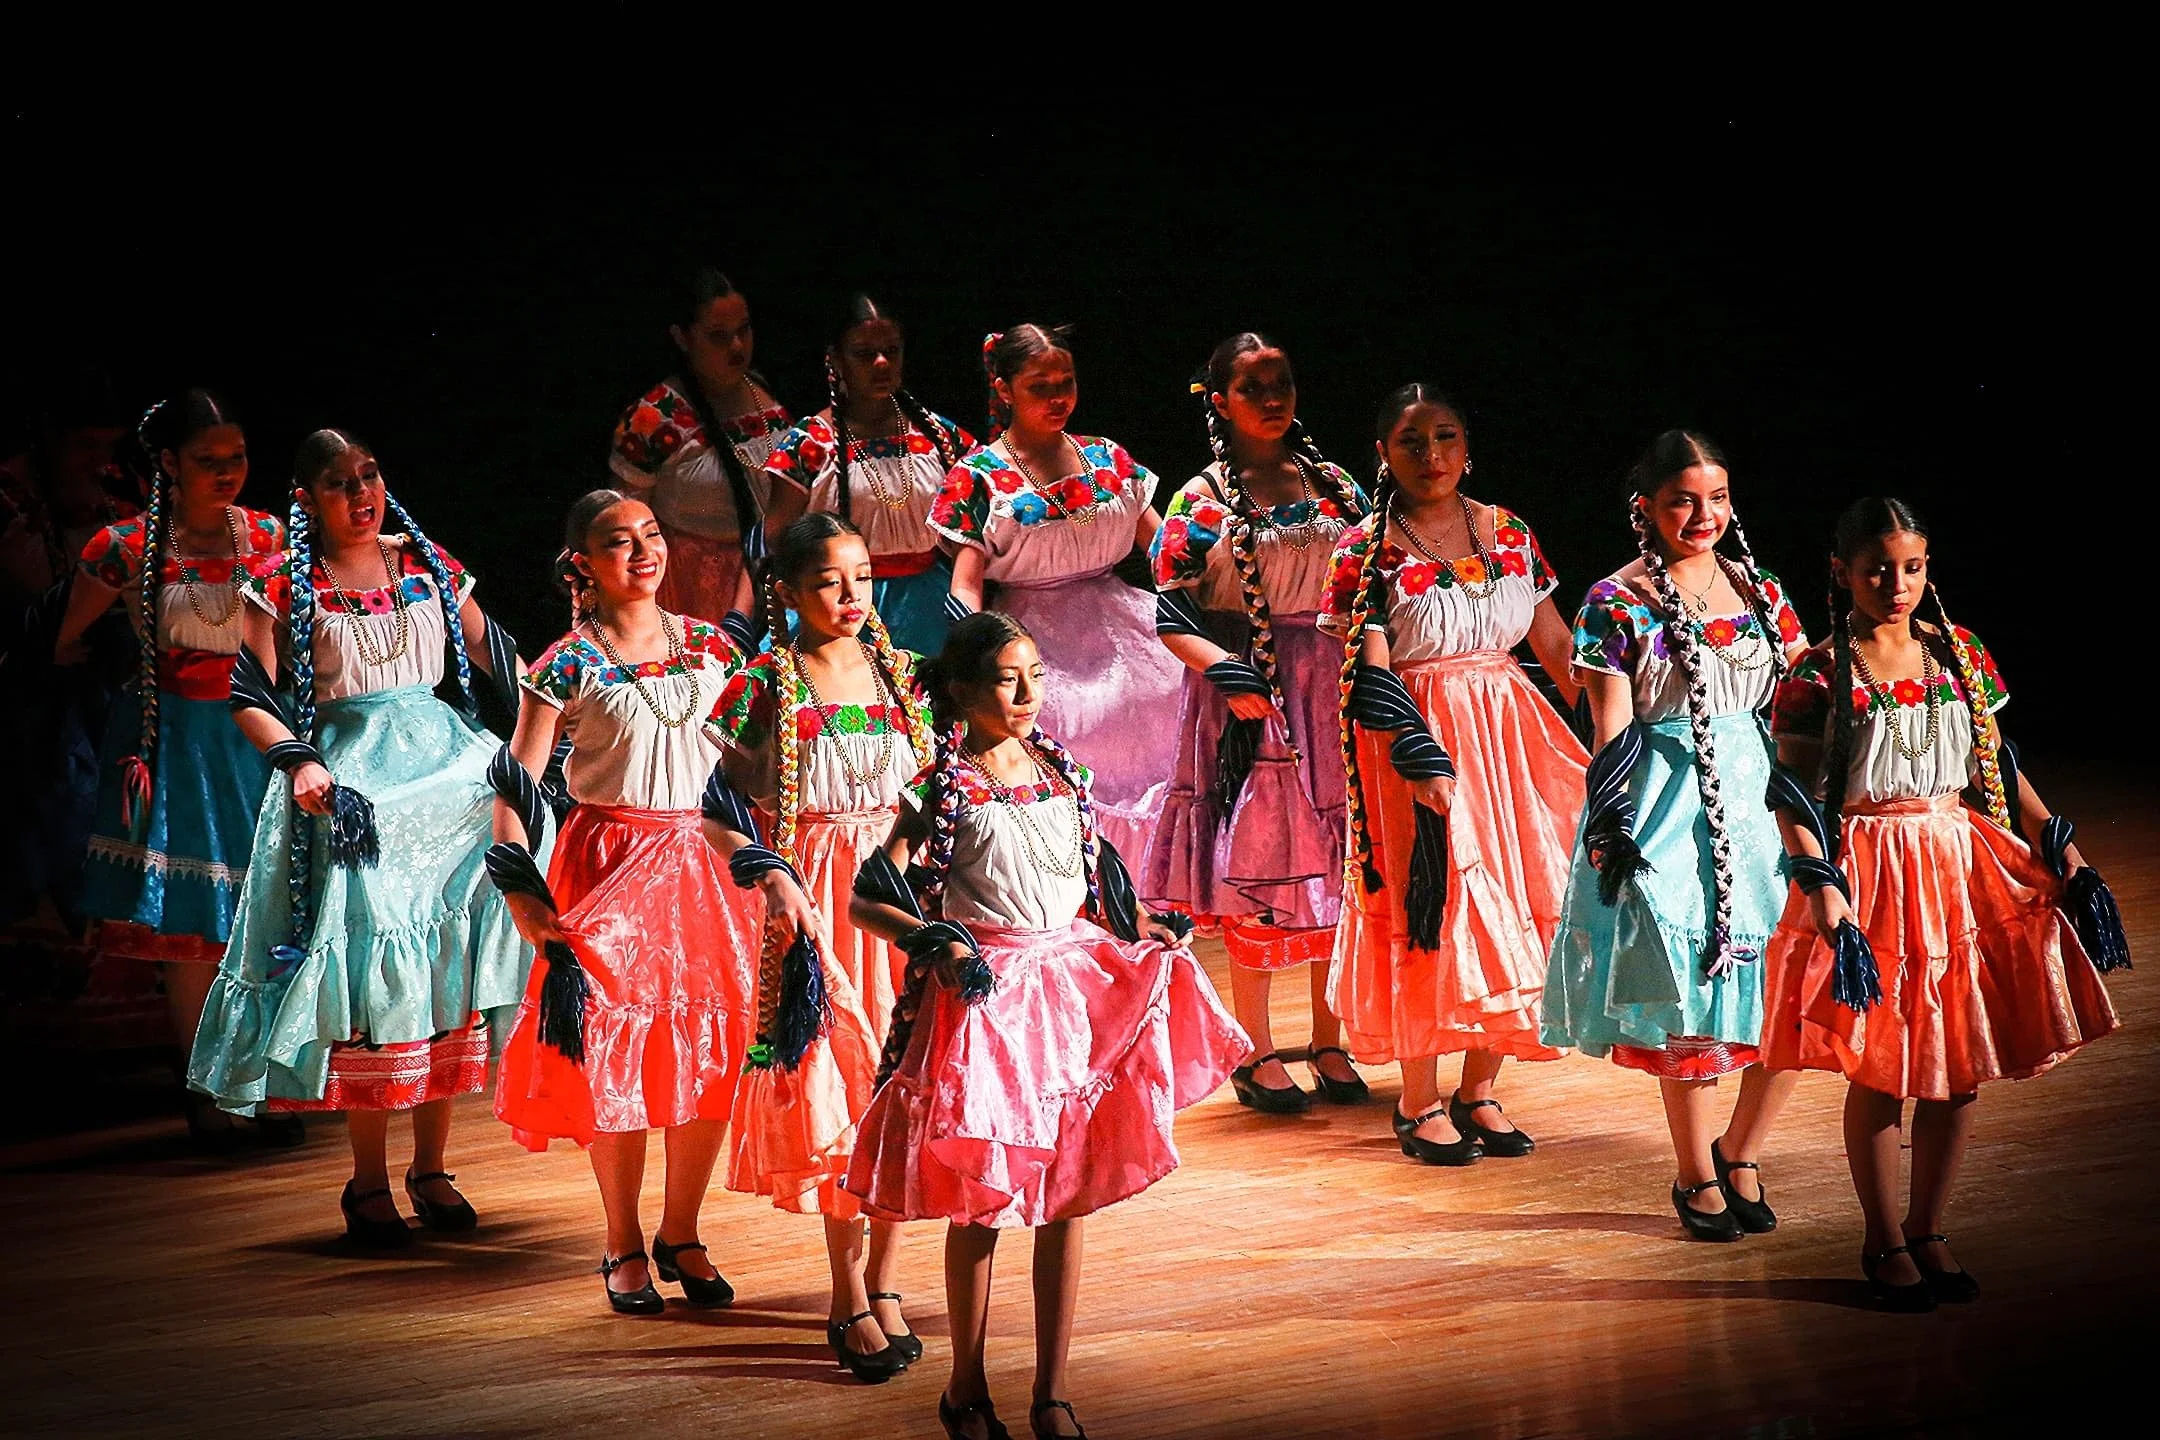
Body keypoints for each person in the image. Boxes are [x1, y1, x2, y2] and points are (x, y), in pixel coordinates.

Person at [845, 612, 1247, 1440]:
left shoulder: (1061, 769)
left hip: (1069, 994)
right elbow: (867, 898)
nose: (1028, 693)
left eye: (1035, 674)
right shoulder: (943, 789)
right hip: (993, 1008)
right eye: (1007, 678)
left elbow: (1096, 877)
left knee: (1069, 1196)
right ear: (963, 691)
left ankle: (1052, 1392)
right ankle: (966, 1388)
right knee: (986, 1200)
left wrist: (1144, 927)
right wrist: (940, 943)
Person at [1760, 496, 2119, 1306]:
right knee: (1884, 1067)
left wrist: (2060, 844)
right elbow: (1792, 794)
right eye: (1877, 570)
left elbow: (1999, 763)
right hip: (1876, 872)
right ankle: (1883, 1237)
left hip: (1955, 864)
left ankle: (1928, 1228)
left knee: (1957, 1067)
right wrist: (1821, 889)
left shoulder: (1958, 652)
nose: (1896, 585)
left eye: (1912, 568)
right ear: (1842, 573)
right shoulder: (1819, 673)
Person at [190, 430, 533, 1244]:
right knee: (375, 971)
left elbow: (493, 649)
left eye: (369, 475)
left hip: (447, 774)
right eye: (339, 483)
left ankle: (432, 1167)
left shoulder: (423, 563)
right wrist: (300, 763)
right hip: (357, 782)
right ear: (307, 499)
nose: (360, 494)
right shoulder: (288, 582)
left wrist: (553, 721)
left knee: (448, 967)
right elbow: (248, 693)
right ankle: (369, 1179)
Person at [492, 490, 758, 1314]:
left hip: (703, 866)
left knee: (712, 1047)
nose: (644, 551)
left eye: (651, 534)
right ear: (584, 564)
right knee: (617, 1052)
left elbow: (748, 758)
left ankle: (683, 1230)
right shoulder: (566, 662)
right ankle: (622, 1239)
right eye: (620, 541)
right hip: (609, 864)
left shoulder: (711, 646)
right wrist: (523, 895)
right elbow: (514, 780)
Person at [1540, 430, 1810, 1240]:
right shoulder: (1614, 602)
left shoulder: (1759, 588)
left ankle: (1741, 1151)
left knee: (1793, 994)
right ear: (1646, 508)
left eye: (1716, 498)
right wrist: (1615, 828)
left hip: (1760, 803)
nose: (1703, 515)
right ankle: (1695, 1172)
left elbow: (1804, 694)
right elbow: (1612, 726)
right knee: (1691, 992)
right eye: (1682, 501)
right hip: (1667, 805)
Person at [1324, 385, 1589, 1163]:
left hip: (1509, 737)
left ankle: (1479, 1088)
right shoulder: (1364, 549)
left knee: (1518, 897)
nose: (1431, 456)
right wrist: (1416, 754)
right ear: (1383, 454)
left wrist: (1617, 732)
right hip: (1417, 739)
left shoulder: (1508, 531)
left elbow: (1552, 642)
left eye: (1445, 438)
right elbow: (1368, 671)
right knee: (1435, 905)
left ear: (1467, 447)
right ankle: (1417, 1099)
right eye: (1412, 442)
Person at [1144, 333, 1370, 1113]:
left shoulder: (1334, 483)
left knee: (1335, 857)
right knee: (1260, 857)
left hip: (1329, 686)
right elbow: (1170, 613)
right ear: (1220, 401)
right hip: (1251, 691)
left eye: (1283, 382)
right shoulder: (1202, 497)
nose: (1273, 399)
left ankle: (1330, 1036)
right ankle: (1256, 1047)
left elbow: (1370, 579)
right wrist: (1223, 669)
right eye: (1253, 387)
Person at [55, 391, 287, 1146]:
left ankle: (255, 1084)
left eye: (237, 458)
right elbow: (63, 636)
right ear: (168, 463)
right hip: (177, 740)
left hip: (251, 734)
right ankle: (203, 1089)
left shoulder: (267, 536)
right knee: (194, 924)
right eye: (207, 460)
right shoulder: (126, 546)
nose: (226, 473)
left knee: (257, 916)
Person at [930, 325, 1186, 866]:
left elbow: (1163, 549)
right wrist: (975, 665)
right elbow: (966, 585)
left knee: (1161, 738)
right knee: (1068, 744)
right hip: (1035, 639)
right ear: (1005, 390)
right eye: (1039, 386)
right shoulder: (979, 476)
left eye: (1065, 382)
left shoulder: (1105, 457)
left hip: (1123, 631)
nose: (1057, 398)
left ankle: (1154, 881)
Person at [761, 293, 975, 654]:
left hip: (927, 606)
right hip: (840, 603)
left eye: (891, 351)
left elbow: (973, 524)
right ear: (836, 359)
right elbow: (780, 539)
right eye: (864, 354)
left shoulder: (939, 437)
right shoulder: (811, 445)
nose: (881, 363)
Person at [609, 267, 789, 635]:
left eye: (743, 330)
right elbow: (623, 525)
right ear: (683, 337)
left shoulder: (769, 397)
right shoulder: (654, 418)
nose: (737, 347)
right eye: (718, 336)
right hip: (690, 591)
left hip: (769, 577)